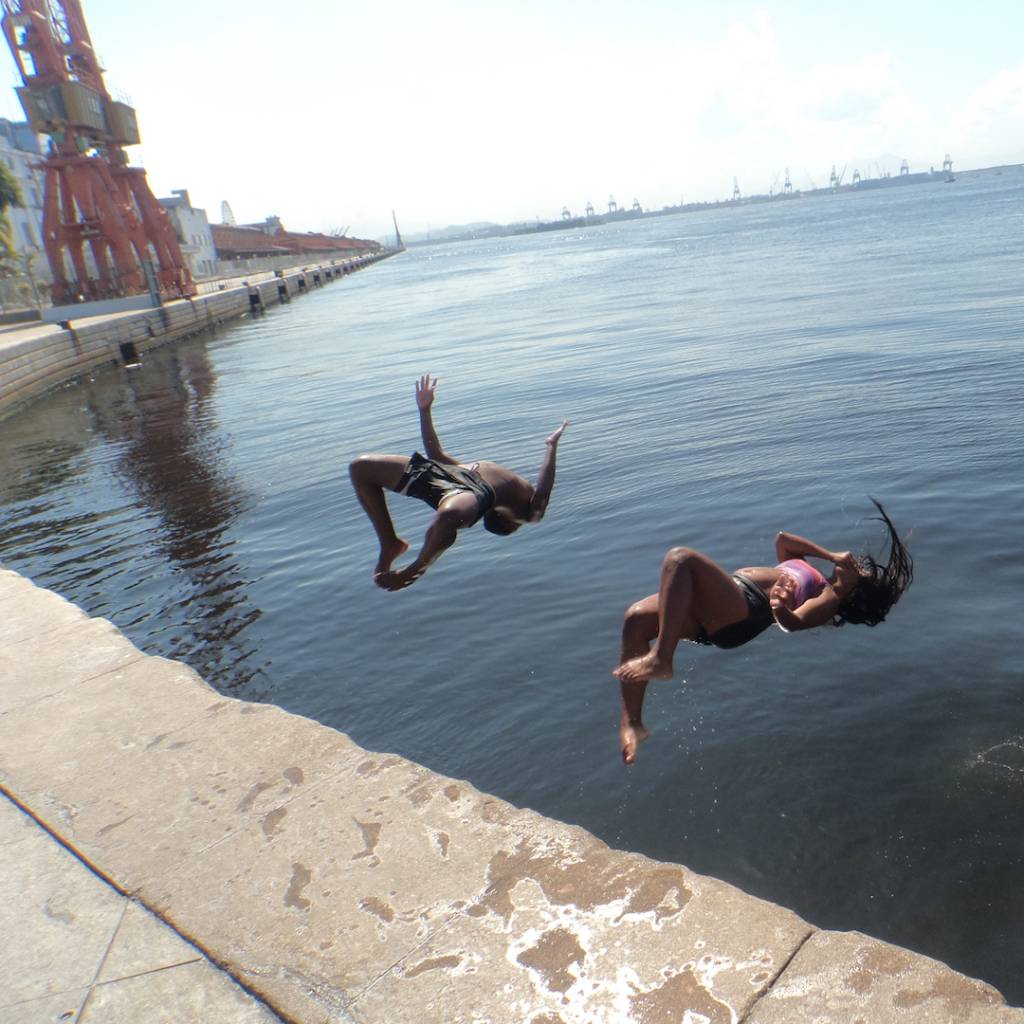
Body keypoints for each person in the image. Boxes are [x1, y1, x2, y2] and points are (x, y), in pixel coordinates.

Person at [613, 500, 913, 764]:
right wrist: (830, 555)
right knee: (635, 620)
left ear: (855, 591)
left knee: (680, 559)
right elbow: (784, 540)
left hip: (745, 608)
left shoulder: (829, 598)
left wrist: (780, 607)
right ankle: (634, 723)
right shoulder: (818, 575)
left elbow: (794, 622)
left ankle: (662, 659)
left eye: (861, 571)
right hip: (721, 607)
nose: (857, 564)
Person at [349, 375, 569, 591]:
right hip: (452, 476)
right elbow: (435, 453)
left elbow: (544, 489)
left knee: (448, 516)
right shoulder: (522, 507)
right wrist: (425, 409)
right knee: (360, 468)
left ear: (507, 520)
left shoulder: (523, 512)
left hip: (467, 490)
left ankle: (415, 568)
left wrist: (551, 446)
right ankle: (390, 543)